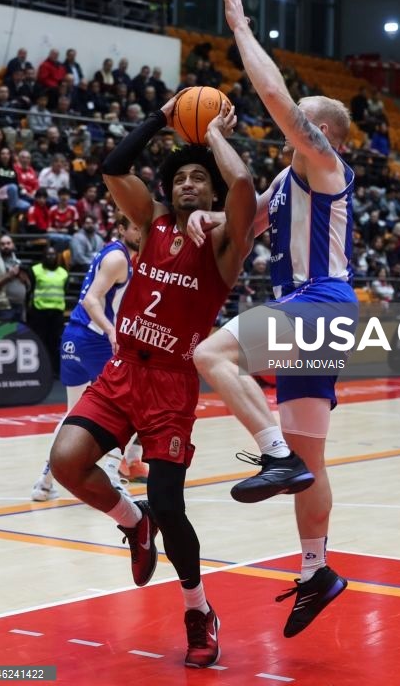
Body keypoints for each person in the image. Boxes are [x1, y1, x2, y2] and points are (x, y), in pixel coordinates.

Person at [48, 93, 260, 669]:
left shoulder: (223, 242)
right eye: (181, 177)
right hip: (123, 371)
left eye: (200, 179)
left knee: (171, 503)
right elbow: (114, 167)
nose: (190, 184)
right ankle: (131, 522)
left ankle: (198, 609)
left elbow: (244, 188)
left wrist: (213, 135)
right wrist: (163, 119)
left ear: (212, 193)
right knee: (67, 461)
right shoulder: (149, 223)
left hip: (170, 382)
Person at [190, 0, 358, 640]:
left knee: (211, 353)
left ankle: (271, 451)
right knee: (312, 457)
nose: (289, 119)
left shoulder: (326, 167)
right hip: (315, 312)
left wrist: (240, 29)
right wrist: (211, 148)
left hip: (319, 301)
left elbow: (275, 98)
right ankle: (317, 570)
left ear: (322, 133)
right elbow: (241, 217)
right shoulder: (290, 180)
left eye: (300, 115)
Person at [32, 216, 147, 501]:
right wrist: (111, 331)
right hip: (93, 339)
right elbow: (90, 300)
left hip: (73, 337)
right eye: (135, 228)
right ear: (121, 229)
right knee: (130, 406)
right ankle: (111, 473)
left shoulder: (113, 253)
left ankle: (44, 482)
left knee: (73, 415)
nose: (140, 234)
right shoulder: (119, 258)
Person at [28, 246, 69, 376]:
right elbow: (30, 290)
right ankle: (40, 370)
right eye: (48, 254)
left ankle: (55, 370)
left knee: (56, 342)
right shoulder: (35, 270)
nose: (50, 257)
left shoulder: (64, 273)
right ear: (43, 256)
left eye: (53, 254)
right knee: (41, 341)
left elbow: (65, 290)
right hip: (40, 312)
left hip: (57, 313)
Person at [0, 235, 31, 321]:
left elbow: (28, 287)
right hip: (4, 307)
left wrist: (25, 280)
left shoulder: (18, 262)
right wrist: (8, 277)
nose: (6, 246)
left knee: (18, 334)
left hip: (20, 306)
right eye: (2, 244)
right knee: (6, 334)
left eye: (8, 243)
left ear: (13, 245)